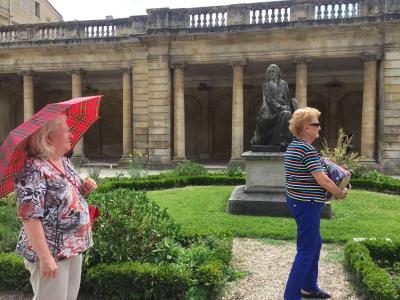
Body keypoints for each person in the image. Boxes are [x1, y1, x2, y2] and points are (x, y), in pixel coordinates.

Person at [14, 114, 97, 300]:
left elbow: (61, 201)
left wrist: (83, 190)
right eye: (66, 131)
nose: (72, 136)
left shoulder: (64, 162)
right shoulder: (32, 169)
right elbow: (29, 216)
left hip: (72, 248)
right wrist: (45, 258)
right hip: (51, 251)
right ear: (49, 137)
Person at [284, 107, 348, 300]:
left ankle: (309, 288)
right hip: (307, 204)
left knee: (314, 243)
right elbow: (323, 180)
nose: (319, 127)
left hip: (298, 202)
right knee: (306, 250)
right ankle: (291, 296)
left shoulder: (294, 147)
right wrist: (339, 192)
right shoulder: (306, 150)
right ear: (306, 128)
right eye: (316, 124)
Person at [251, 64, 298, 147]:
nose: (271, 73)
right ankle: (279, 140)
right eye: (269, 72)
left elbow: (287, 97)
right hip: (270, 109)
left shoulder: (284, 84)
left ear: (278, 73)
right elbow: (269, 99)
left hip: (283, 105)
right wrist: (280, 107)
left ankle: (288, 138)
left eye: (273, 71)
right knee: (285, 114)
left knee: (290, 113)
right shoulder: (267, 85)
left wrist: (293, 104)